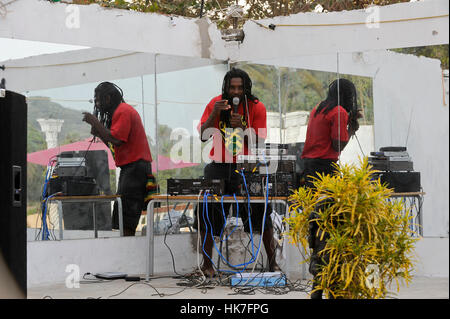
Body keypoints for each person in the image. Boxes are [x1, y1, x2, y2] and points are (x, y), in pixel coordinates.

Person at [195, 68, 280, 278]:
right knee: (207, 213)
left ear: (246, 88)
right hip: (219, 164)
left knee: (263, 215)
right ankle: (207, 265)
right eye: (232, 87)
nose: (235, 92)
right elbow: (203, 136)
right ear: (225, 87)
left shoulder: (256, 107)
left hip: (246, 165)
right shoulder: (215, 103)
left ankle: (273, 263)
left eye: (240, 88)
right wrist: (215, 113)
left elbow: (258, 142)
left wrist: (242, 126)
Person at [301, 78, 362, 299]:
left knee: (317, 226)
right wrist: (351, 128)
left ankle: (318, 284)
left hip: (309, 169)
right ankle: (328, 282)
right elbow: (337, 146)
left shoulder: (318, 107)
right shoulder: (339, 112)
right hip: (325, 170)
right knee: (332, 224)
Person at [82, 82, 152, 236]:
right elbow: (115, 145)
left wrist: (95, 121)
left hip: (134, 169)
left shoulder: (123, 111)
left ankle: (126, 251)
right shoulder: (120, 111)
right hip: (131, 169)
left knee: (125, 218)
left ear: (108, 98)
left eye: (98, 100)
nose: (97, 104)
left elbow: (116, 139)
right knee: (122, 216)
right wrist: (100, 133)